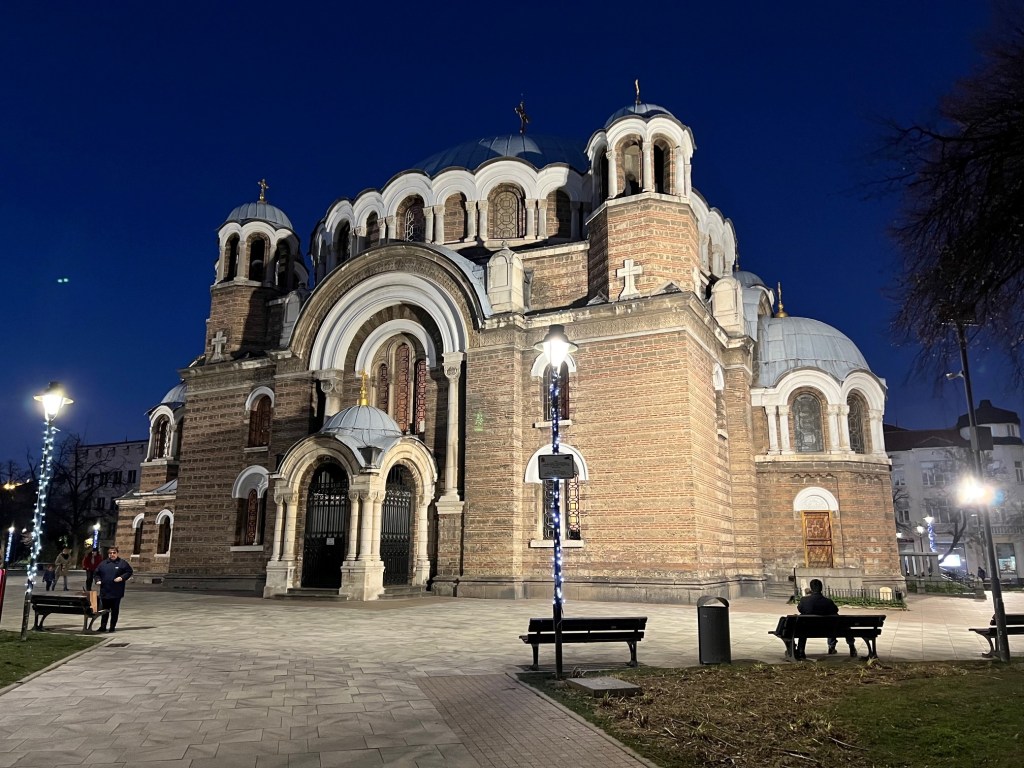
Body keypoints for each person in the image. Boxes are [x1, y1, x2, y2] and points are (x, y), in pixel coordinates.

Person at [795, 579, 855, 659]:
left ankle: (800, 650)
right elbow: (835, 610)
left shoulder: (804, 600)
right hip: (829, 628)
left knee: (803, 624)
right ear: (821, 588)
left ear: (811, 589)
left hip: (808, 629)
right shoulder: (828, 602)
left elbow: (800, 609)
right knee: (834, 619)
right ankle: (840, 647)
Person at [94, 546, 133, 633]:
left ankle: (112, 626)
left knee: (115, 610)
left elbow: (129, 572)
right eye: (110, 553)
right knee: (104, 610)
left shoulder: (122, 563)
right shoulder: (103, 564)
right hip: (105, 591)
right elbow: (96, 573)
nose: (112, 554)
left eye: (114, 553)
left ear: (117, 553)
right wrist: (97, 580)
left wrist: (122, 578)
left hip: (116, 591)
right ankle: (103, 626)